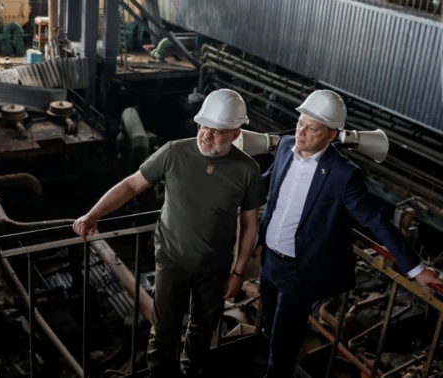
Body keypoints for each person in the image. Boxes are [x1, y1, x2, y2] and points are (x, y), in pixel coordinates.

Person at [73, 89, 267, 378]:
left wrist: (238, 273)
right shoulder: (174, 151)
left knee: (202, 330)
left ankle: (192, 371)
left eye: (216, 132)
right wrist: (94, 214)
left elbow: (251, 224)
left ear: (235, 132)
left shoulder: (247, 170)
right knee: (164, 330)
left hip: (214, 268)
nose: (206, 135)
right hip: (172, 262)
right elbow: (131, 186)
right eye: (203, 126)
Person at [257, 89, 443, 377]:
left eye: (312, 129)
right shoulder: (284, 146)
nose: (301, 133)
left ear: (331, 135)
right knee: (270, 326)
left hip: (298, 271)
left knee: (283, 343)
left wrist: (416, 269)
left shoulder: (343, 174)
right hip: (268, 260)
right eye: (300, 123)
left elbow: (375, 221)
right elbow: (267, 184)